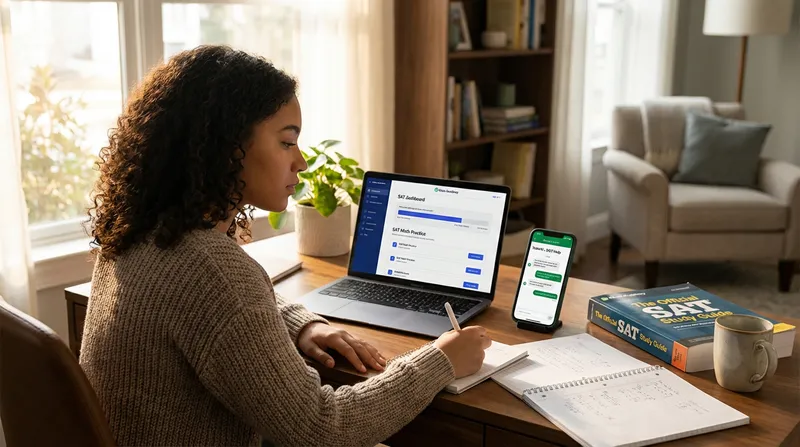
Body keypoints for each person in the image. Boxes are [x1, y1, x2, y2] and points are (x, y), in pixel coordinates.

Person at [80, 44, 492, 447]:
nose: (302, 161)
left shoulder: (140, 229)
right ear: (226, 147)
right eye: (286, 141)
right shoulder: (213, 270)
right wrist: (440, 361)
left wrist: (302, 323)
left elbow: (221, 306)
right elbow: (322, 428)